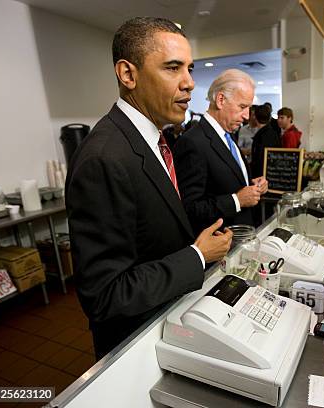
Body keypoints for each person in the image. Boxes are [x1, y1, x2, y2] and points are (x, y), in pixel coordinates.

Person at [65, 17, 232, 359]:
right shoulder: (104, 158)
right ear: (128, 75)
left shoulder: (157, 140)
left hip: (167, 326)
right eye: (173, 68)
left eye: (190, 69)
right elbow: (107, 295)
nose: (189, 84)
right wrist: (197, 256)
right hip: (134, 346)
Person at [174, 69, 268, 233]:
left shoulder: (227, 135)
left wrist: (252, 184)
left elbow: (225, 180)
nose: (247, 116)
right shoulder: (192, 142)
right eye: (242, 107)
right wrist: (237, 200)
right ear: (221, 100)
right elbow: (189, 208)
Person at [250, 104, 281, 178]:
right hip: (271, 174)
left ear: (255, 117)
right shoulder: (273, 133)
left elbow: (260, 160)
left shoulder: (262, 135)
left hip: (262, 177)